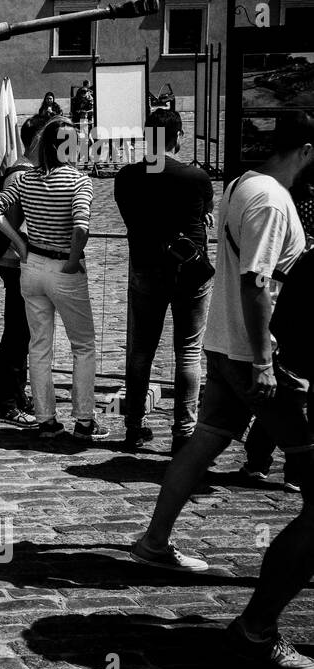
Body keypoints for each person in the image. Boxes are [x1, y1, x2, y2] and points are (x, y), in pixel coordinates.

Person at [131, 112, 314, 669]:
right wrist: (264, 360)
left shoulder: (240, 183)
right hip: (255, 355)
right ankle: (260, 622)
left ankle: (155, 540)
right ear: (305, 150)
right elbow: (257, 280)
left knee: (205, 440)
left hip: (224, 345)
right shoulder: (270, 199)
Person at [0, 116, 107, 441]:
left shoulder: (28, 180)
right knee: (83, 346)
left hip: (32, 266)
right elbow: (81, 226)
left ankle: (46, 420)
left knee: (39, 347)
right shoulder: (79, 182)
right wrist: (71, 260)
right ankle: (84, 420)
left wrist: (20, 242)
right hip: (63, 270)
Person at [114, 107, 214, 452]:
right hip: (189, 273)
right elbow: (202, 215)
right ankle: (184, 432)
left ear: (147, 136)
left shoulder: (126, 177)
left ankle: (133, 426)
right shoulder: (195, 177)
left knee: (141, 351)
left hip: (145, 268)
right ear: (180, 136)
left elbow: (131, 218)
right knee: (188, 351)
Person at [240, 174, 314, 484]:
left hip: (287, 304)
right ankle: (295, 469)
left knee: (287, 393)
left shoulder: (288, 197)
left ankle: (260, 459)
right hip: (294, 302)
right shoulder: (296, 203)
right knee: (294, 393)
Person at [0, 115, 42, 427]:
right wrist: (25, 250)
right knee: (17, 332)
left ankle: (16, 394)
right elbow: (6, 220)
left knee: (25, 333)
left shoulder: (32, 173)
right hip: (16, 265)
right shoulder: (20, 176)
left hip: (24, 265)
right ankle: (6, 401)